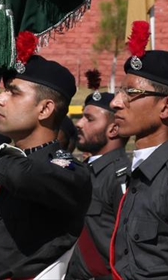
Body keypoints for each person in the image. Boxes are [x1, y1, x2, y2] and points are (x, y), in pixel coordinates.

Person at [0, 53, 92, 280]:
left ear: (45, 109)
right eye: (4, 90)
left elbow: (29, 177)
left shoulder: (66, 169)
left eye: (14, 92)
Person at [108, 47, 168, 279]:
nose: (116, 102)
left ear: (167, 107)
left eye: (131, 92)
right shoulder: (141, 172)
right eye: (120, 91)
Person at [66, 82, 129, 280]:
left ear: (113, 130)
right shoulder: (82, 171)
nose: (79, 124)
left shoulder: (123, 177)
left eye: (89, 119)